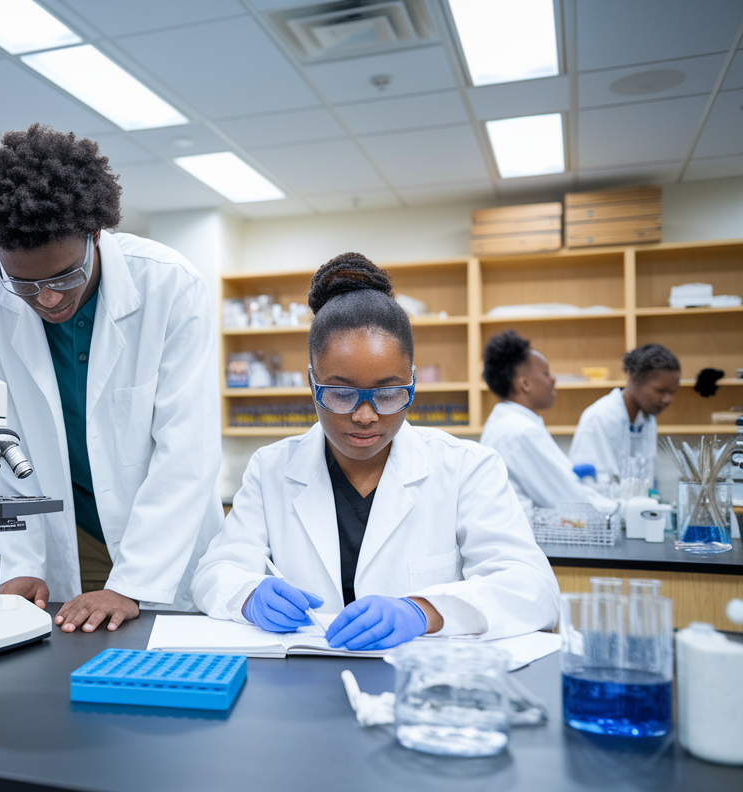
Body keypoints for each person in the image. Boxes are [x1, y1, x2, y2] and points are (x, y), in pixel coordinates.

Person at [192, 253, 558, 650]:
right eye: (341, 393)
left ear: (412, 381)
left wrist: (423, 612)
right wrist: (247, 595)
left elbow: (532, 588)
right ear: (311, 382)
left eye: (387, 393)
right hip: (302, 684)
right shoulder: (271, 469)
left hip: (417, 685)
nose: (365, 416)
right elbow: (215, 572)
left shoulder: (467, 468)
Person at [0, 124, 221, 634]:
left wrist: (135, 581)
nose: (48, 299)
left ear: (96, 235)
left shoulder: (169, 283)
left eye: (64, 277)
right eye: (26, 284)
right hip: (64, 533)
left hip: (161, 543)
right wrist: (18, 561)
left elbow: (187, 449)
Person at [479, 330, 617, 515]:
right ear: (525, 384)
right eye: (546, 373)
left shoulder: (508, 422)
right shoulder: (520, 431)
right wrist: (618, 510)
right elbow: (572, 503)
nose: (553, 380)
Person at [569, 344, 680, 484]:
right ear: (634, 379)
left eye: (672, 392)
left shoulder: (647, 418)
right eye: (661, 391)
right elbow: (590, 485)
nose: (668, 399)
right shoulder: (600, 417)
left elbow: (645, 479)